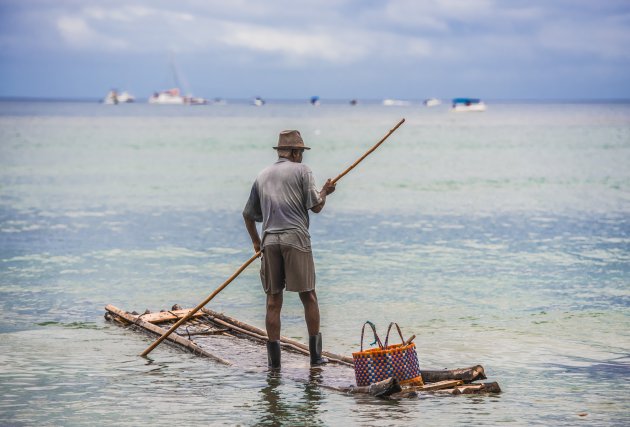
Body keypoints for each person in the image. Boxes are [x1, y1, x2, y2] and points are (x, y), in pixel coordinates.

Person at [243, 130, 336, 370]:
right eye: (301, 152)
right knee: (309, 295)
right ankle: (315, 357)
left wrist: (256, 242)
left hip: (270, 240)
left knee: (273, 301)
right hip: (295, 238)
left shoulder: (262, 175)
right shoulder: (302, 171)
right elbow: (315, 206)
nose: (302, 157)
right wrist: (325, 191)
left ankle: (274, 364)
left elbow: (248, 215)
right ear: (295, 152)